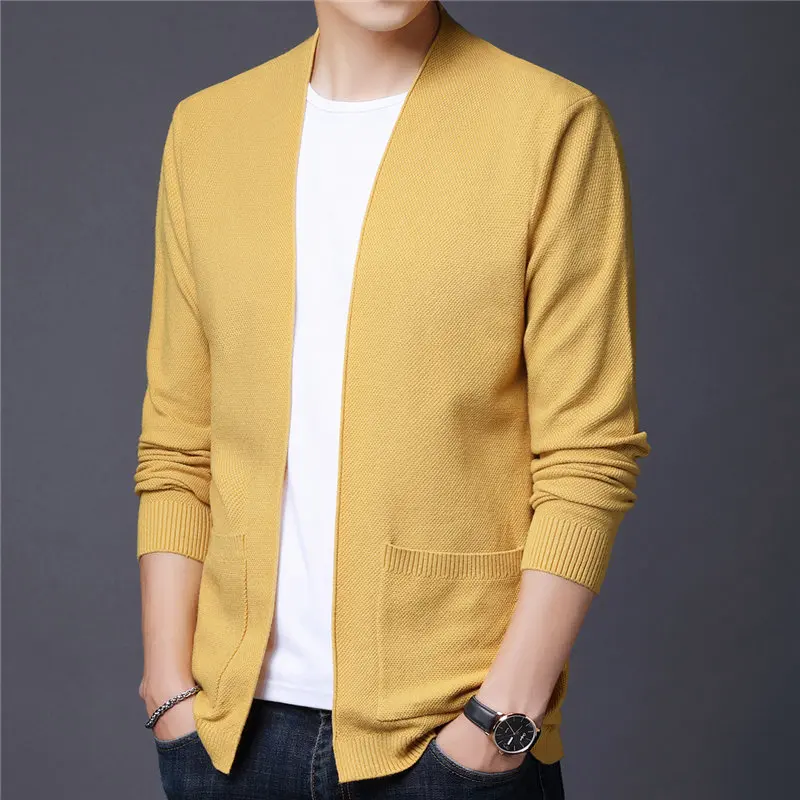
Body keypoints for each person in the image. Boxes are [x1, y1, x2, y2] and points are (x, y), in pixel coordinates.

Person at [134, 1, 651, 798]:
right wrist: (167, 689)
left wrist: (502, 719)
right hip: (228, 739)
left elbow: (589, 454)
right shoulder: (207, 132)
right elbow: (178, 441)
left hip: (454, 736)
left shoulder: (550, 126)